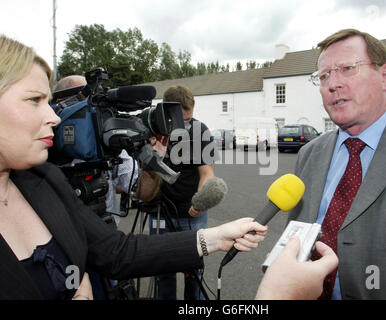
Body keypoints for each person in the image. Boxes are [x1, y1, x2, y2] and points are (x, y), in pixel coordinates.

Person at [0, 34, 268, 300]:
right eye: (34, 100)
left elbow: (117, 252)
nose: (53, 118)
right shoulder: (48, 173)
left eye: (48, 103)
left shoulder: (44, 181)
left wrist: (216, 238)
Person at [287, 28, 386, 300]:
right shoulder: (309, 154)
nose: (332, 83)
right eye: (324, 75)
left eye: (347, 68)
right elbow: (296, 237)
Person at [147, 85, 216, 300]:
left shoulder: (200, 130)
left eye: (189, 118)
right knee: (163, 272)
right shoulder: (153, 131)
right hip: (159, 212)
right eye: (182, 120)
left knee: (194, 273)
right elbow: (142, 177)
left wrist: (200, 203)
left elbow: (207, 173)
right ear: (167, 112)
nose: (186, 125)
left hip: (192, 213)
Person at [54, 75, 139, 227]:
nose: (94, 107)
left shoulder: (108, 143)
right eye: (87, 99)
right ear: (62, 103)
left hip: (107, 234)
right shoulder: (41, 149)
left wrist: (152, 159)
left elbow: (138, 190)